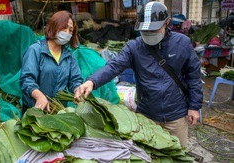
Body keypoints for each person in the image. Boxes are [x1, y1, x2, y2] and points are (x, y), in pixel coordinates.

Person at [74, 1, 203, 148]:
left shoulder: (182, 43)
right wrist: (92, 81)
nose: (148, 34)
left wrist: (194, 106)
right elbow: (114, 66)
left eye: (153, 30)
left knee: (177, 153)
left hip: (176, 116)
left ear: (167, 23)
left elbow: (193, 76)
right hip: (146, 115)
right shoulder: (134, 47)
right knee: (147, 154)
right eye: (145, 30)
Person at [20, 11, 83, 115]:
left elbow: (75, 80)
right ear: (54, 26)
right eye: (64, 28)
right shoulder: (35, 50)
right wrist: (39, 96)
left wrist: (77, 90)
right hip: (35, 109)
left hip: (58, 111)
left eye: (70, 30)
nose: (67, 33)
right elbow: (27, 80)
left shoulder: (69, 56)